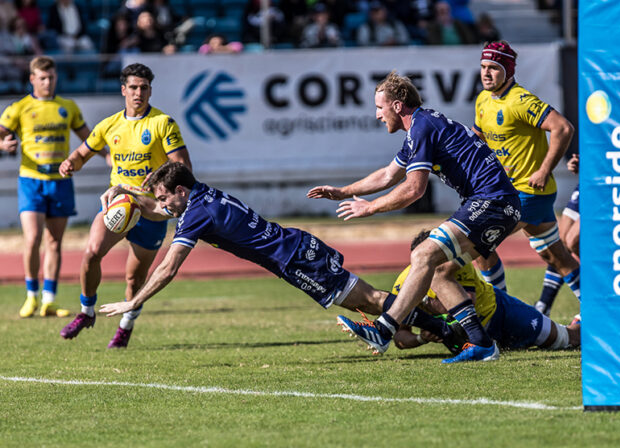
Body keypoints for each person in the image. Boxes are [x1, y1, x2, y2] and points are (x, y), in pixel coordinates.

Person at [98, 162, 466, 354]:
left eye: (165, 198)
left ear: (180, 191)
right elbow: (157, 211)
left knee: (368, 299)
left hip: (293, 259)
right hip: (294, 246)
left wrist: (135, 301)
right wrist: (126, 194)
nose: (163, 206)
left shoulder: (196, 214)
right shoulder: (200, 196)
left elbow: (168, 267)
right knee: (367, 299)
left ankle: (451, 329)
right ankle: (446, 325)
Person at [308, 71, 522, 363]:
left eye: (380, 108)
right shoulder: (421, 128)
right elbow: (387, 175)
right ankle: (483, 344)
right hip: (498, 204)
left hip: (492, 201)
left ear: (397, 106)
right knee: (438, 270)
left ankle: (383, 329)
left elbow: (413, 189)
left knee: (423, 254)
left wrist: (370, 208)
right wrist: (343, 192)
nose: (377, 116)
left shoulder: (422, 126)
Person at [59, 63, 192, 349]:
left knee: (134, 278)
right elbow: (83, 153)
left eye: (144, 88)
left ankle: (125, 326)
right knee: (92, 252)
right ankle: (86, 311)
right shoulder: (109, 125)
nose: (138, 93)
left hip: (153, 210)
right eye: (133, 87)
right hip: (120, 202)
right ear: (123, 90)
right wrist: (71, 163)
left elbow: (183, 167)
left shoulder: (162, 123)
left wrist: (159, 178)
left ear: (150, 91)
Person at [472, 41, 579, 322]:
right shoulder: (483, 100)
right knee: (559, 259)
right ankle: (600, 310)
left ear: (507, 71)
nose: (486, 73)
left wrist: (545, 169)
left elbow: (563, 128)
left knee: (479, 243)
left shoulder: (520, 101)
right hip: (516, 194)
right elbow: (478, 138)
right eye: (483, 67)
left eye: (493, 68)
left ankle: (500, 315)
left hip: (527, 193)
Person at [0, 56, 99, 318]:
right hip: (31, 179)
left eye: (51, 77)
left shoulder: (67, 107)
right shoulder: (19, 107)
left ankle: (48, 300)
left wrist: (109, 155)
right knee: (32, 239)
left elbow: (89, 139)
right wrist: (3, 145)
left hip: (61, 180)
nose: (48, 81)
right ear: (32, 79)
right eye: (42, 77)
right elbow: (0, 134)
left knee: (55, 242)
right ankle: (31, 296)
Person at [391, 230, 580, 353]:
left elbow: (468, 303)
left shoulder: (452, 265)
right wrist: (420, 337)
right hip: (474, 337)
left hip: (502, 314)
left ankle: (589, 322)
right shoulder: (402, 285)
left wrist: (431, 318)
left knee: (567, 339)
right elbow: (399, 338)